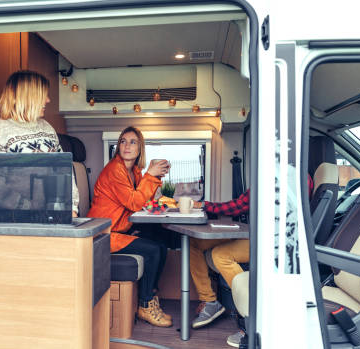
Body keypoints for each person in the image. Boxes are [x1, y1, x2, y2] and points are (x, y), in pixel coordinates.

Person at [189, 175, 314, 347]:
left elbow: (240, 207)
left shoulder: (291, 175)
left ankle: (251, 318)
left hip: (274, 241)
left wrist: (204, 205)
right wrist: (204, 205)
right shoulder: (273, 172)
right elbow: (240, 204)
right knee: (194, 242)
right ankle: (210, 302)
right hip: (257, 234)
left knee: (220, 255)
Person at [87, 126, 173, 327]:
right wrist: (150, 176)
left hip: (118, 229)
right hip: (104, 234)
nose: (127, 145)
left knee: (161, 243)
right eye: (123, 141)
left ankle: (150, 297)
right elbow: (135, 203)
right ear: (118, 146)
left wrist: (155, 176)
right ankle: (144, 306)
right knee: (152, 250)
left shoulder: (134, 171)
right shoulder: (114, 170)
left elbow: (145, 200)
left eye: (133, 142)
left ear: (139, 148)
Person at [0, 70, 79, 217]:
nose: (48, 100)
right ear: (28, 97)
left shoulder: (47, 128)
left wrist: (71, 207)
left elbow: (64, 171)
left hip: (49, 218)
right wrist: (26, 208)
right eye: (43, 95)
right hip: (13, 221)